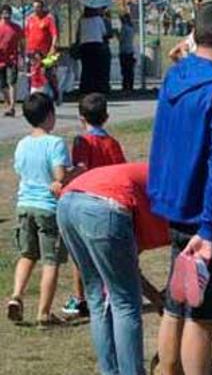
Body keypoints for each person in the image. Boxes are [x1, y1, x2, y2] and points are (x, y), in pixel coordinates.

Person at [148, 1, 212, 375]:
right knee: (202, 317)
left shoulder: (176, 76)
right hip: (210, 218)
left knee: (177, 304)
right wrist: (209, 230)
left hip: (176, 206)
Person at [57, 163, 159, 375]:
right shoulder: (177, 208)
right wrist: (162, 300)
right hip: (106, 205)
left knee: (97, 298)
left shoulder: (158, 182)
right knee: (126, 304)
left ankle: (109, 371)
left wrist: (157, 298)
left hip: (68, 202)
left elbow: (128, 269)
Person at [7, 93, 72, 327]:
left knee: (27, 255)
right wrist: (76, 171)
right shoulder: (55, 143)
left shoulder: (22, 144)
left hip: (25, 205)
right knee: (50, 261)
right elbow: (59, 177)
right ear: (50, 116)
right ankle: (44, 313)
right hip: (47, 208)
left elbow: (20, 170)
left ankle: (16, 296)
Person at [63, 93, 127, 317]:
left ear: (81, 119)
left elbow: (80, 170)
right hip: (109, 202)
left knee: (80, 255)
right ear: (106, 117)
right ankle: (108, 291)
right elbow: (122, 172)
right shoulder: (112, 143)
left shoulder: (82, 142)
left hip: (86, 200)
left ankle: (81, 297)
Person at [24, 0, 58, 100]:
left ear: (42, 7)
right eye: (34, 7)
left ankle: (55, 91)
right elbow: (26, 35)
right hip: (32, 52)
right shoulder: (30, 19)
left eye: (38, 7)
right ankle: (32, 96)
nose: (36, 9)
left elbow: (54, 34)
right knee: (32, 73)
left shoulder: (48, 19)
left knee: (48, 73)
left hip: (46, 52)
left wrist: (53, 47)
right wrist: (25, 49)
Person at [77, 7, 111, 95]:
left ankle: (86, 87)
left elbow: (79, 33)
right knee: (97, 67)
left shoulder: (82, 20)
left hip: (84, 45)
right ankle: (98, 87)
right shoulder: (98, 19)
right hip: (97, 44)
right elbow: (104, 33)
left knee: (86, 68)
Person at [0, 4, 23, 117]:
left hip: (12, 59)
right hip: (0, 60)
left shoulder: (17, 28)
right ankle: (8, 103)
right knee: (2, 85)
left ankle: (12, 106)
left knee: (12, 82)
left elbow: (22, 43)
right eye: (4, 15)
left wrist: (23, 56)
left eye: (8, 14)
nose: (6, 17)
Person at [118, 14, 136, 92]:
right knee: (130, 69)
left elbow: (121, 39)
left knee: (125, 70)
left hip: (124, 50)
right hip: (130, 50)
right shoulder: (131, 28)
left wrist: (116, 34)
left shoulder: (124, 28)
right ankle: (130, 85)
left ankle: (125, 86)